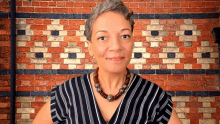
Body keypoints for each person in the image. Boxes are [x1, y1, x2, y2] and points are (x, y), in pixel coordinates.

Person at [33, 0, 182, 123]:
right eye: (103, 37)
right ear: (90, 47)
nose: (116, 46)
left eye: (124, 36)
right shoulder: (67, 94)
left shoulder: (154, 97)